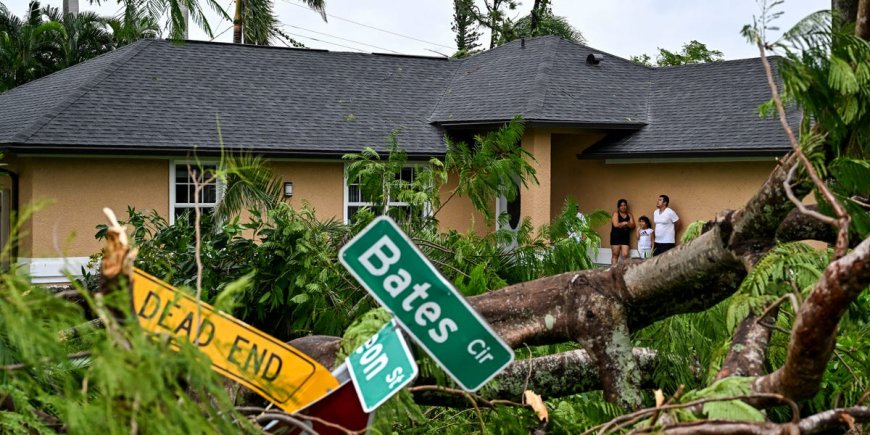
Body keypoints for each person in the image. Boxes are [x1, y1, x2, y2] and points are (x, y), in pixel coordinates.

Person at [610, 199, 634, 265]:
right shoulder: (616, 213)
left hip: (625, 236)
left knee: (625, 255)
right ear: (618, 207)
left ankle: (623, 271)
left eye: (625, 205)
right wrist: (625, 223)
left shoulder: (629, 215)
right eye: (621, 205)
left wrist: (625, 223)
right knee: (615, 254)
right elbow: (616, 225)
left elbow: (632, 226)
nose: (623, 207)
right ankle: (613, 271)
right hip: (615, 236)